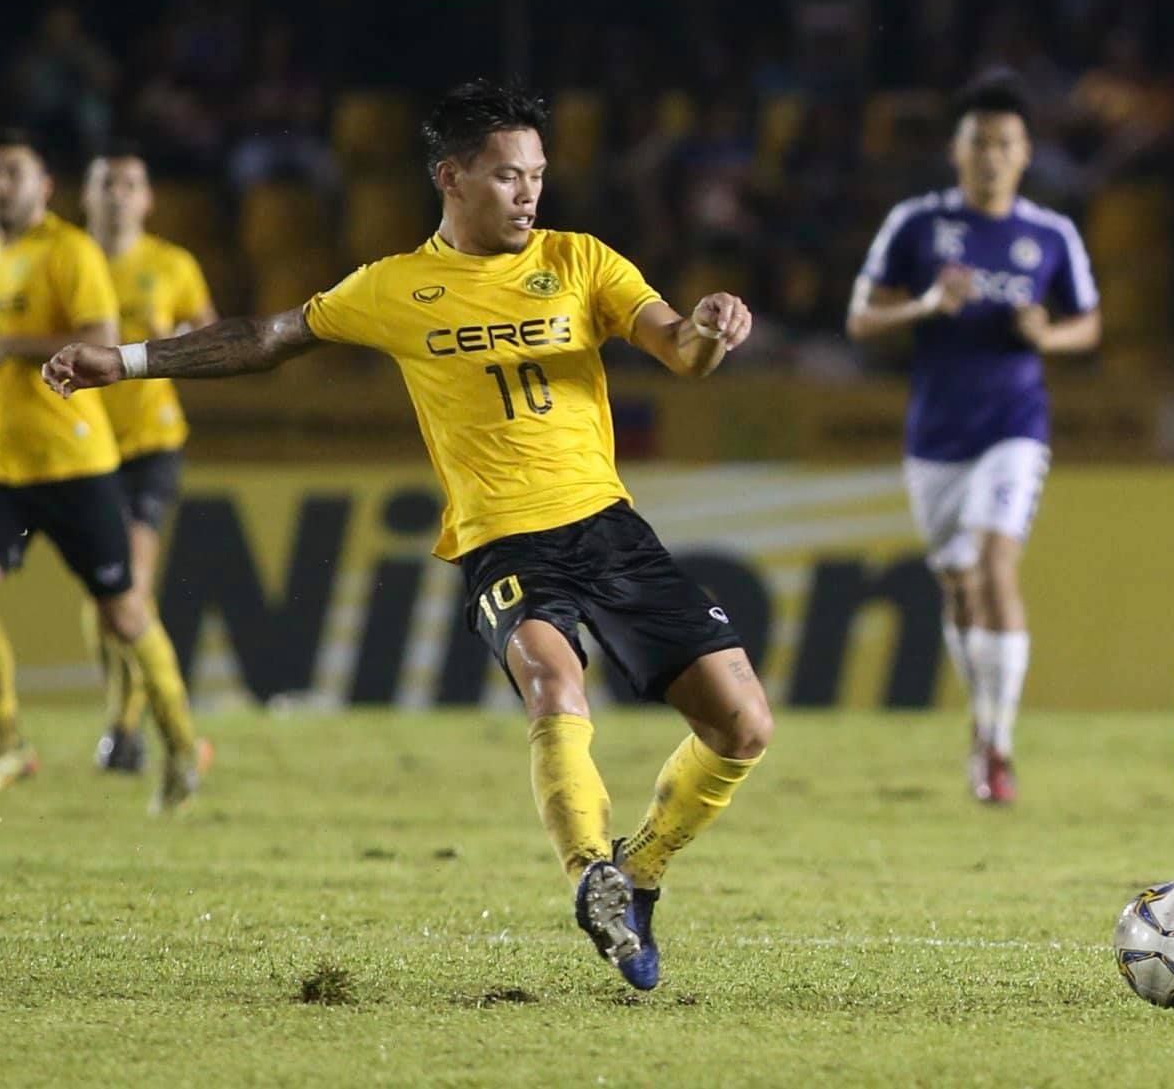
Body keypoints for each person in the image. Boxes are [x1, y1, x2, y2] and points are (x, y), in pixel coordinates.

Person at [45, 81, 771, 992]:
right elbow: (269, 336)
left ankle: (641, 865)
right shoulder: (394, 287)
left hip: (608, 526)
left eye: (538, 175)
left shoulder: (580, 260)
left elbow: (677, 348)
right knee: (554, 681)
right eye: (508, 176)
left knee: (742, 723)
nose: (528, 193)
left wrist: (710, 330)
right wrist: (131, 360)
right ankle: (592, 873)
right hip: (503, 541)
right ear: (452, 177)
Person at [0, 133, 209, 811]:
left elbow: (99, 339)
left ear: (44, 185)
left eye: (12, 173)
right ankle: (8, 742)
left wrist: (7, 345)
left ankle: (176, 743)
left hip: (78, 462)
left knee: (127, 609)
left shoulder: (69, 251)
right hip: (3, 465)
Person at [846, 71, 1100, 804]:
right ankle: (982, 727)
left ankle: (999, 742)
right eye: (978, 141)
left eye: (1005, 143)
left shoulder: (1050, 233)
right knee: (958, 589)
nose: (991, 155)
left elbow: (1088, 322)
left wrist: (1045, 332)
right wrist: (924, 305)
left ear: (1025, 155)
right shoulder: (916, 224)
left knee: (994, 566)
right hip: (935, 432)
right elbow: (862, 317)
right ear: (957, 151)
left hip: (1014, 424)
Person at [79, 146, 219, 774]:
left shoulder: (171, 264)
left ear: (147, 198)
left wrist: (171, 346)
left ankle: (125, 728)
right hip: (80, 446)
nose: (117, 194)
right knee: (101, 593)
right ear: (86, 195)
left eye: (129, 183)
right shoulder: (66, 262)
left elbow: (210, 334)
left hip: (151, 443)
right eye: (106, 183)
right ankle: (126, 720)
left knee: (129, 585)